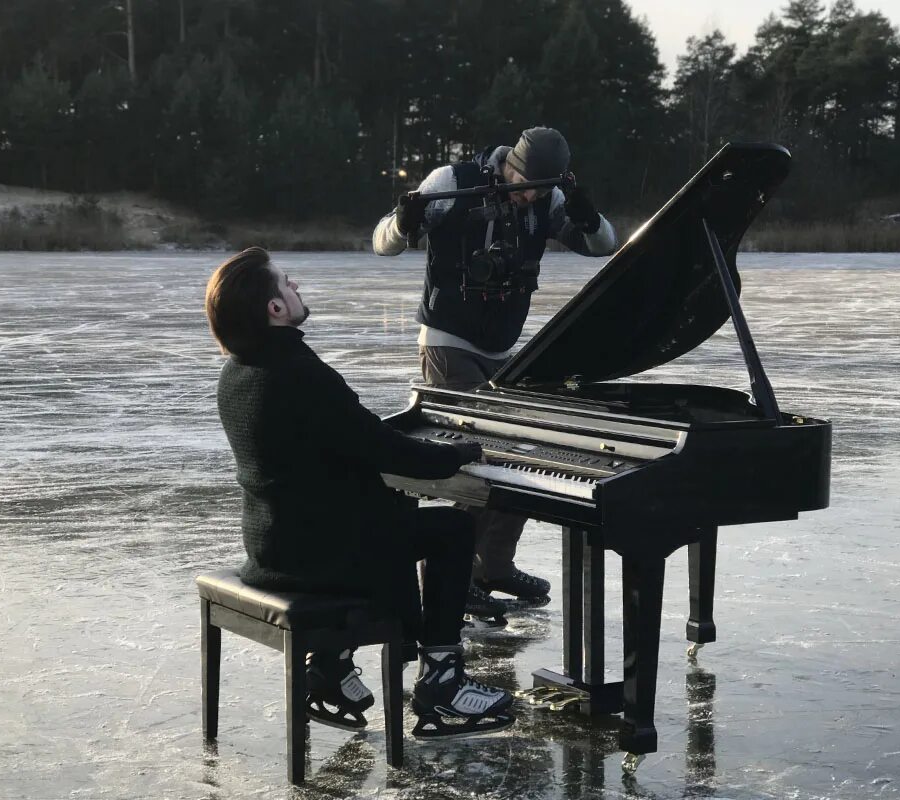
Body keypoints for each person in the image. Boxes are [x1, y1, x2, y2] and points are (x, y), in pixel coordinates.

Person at [205, 246, 514, 739]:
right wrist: (460, 453)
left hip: (272, 545)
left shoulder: (237, 372)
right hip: (320, 555)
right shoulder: (299, 373)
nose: (296, 286)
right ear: (275, 309)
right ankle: (442, 681)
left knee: (395, 514)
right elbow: (381, 449)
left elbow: (334, 449)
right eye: (286, 282)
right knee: (451, 529)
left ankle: (329, 670)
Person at [372, 127, 618, 625]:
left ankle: (493, 567)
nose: (527, 195)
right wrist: (403, 222)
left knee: (519, 455)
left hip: (506, 351)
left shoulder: (545, 203)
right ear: (510, 163)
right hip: (448, 341)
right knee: (466, 461)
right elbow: (382, 244)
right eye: (523, 183)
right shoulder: (452, 181)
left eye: (539, 190)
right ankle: (451, 580)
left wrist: (586, 213)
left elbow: (604, 246)